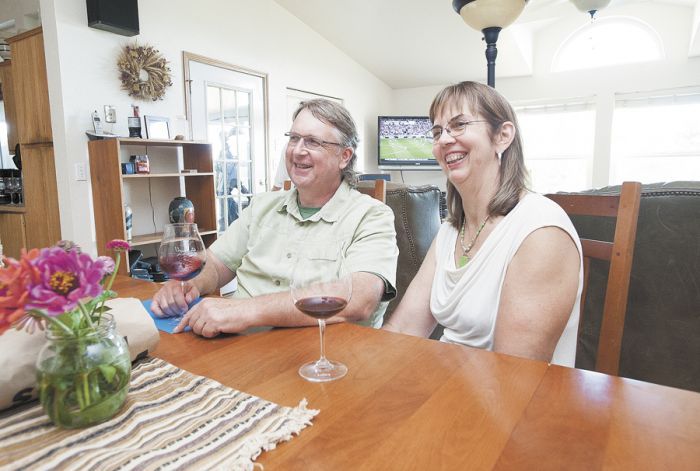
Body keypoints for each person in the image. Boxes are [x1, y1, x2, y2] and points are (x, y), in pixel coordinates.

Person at [152, 99, 398, 337]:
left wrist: (247, 311)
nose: (297, 151)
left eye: (312, 142)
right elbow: (216, 264)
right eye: (293, 138)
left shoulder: (372, 216)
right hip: (238, 347)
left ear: (344, 156)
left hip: (321, 356)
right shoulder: (261, 206)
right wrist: (189, 285)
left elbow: (360, 299)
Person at [383, 81, 582, 366]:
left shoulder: (541, 232)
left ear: (502, 135)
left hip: (509, 399)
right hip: (445, 383)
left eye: (459, 124)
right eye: (437, 132)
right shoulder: (451, 231)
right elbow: (403, 330)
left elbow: (513, 373)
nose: (443, 140)